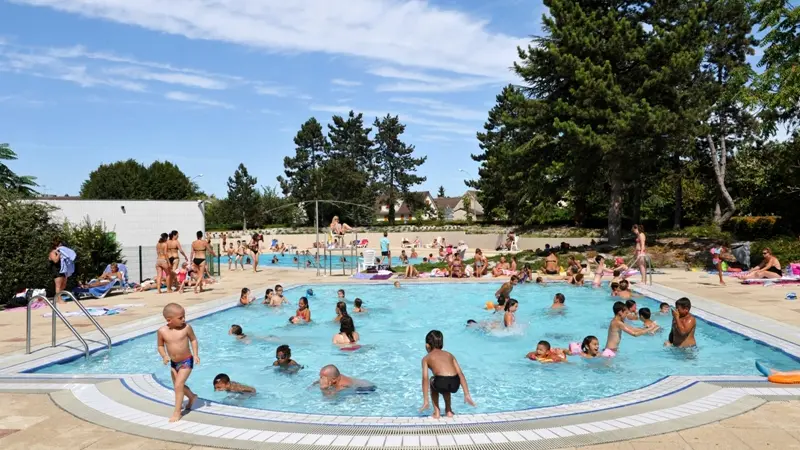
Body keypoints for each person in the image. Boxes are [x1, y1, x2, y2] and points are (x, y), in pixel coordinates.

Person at [156, 303, 199, 422]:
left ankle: (177, 412)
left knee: (178, 386)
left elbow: (193, 340)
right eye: (180, 318)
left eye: (184, 316)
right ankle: (192, 396)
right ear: (169, 320)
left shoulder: (186, 328)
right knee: (178, 386)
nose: (184, 319)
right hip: (174, 364)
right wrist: (164, 355)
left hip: (186, 361)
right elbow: (160, 346)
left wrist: (195, 354)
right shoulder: (162, 331)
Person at [419, 330, 475, 418]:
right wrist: (466, 394)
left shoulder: (426, 358)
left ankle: (436, 412)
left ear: (427, 346)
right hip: (455, 383)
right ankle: (448, 411)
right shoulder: (450, 355)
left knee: (432, 380)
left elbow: (425, 378)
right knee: (446, 383)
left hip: (441, 382)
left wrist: (426, 401)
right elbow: (460, 374)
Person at [48, 237, 75, 302]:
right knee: (58, 286)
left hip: (63, 270)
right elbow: (55, 260)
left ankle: (58, 297)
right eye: (60, 244)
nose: (61, 245)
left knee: (63, 285)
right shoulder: (52, 252)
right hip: (56, 270)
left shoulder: (61, 251)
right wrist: (59, 254)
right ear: (56, 245)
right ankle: (59, 299)